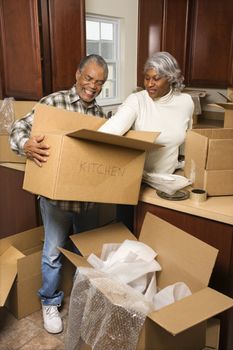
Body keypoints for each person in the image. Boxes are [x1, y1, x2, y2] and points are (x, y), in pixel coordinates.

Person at [10, 54, 108, 334]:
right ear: (77, 74)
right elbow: (18, 127)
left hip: (89, 199)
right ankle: (50, 302)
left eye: (99, 82)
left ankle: (79, 299)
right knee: (53, 253)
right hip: (56, 199)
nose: (92, 86)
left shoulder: (101, 116)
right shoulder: (53, 102)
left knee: (84, 252)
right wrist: (25, 144)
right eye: (88, 78)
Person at [98, 51, 194, 176]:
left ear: (170, 78)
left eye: (156, 78)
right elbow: (111, 130)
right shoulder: (137, 100)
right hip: (137, 179)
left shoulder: (185, 102)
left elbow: (189, 141)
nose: (149, 84)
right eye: (147, 78)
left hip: (168, 178)